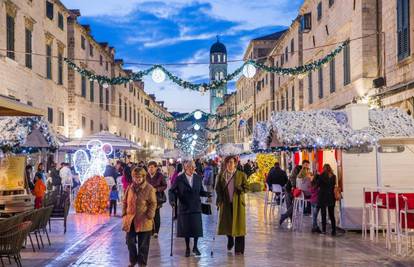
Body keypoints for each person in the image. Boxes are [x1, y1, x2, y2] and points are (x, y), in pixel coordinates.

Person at [168, 160, 211, 257]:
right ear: (185, 168)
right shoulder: (179, 179)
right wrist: (172, 201)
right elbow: (171, 191)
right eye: (189, 167)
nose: (192, 169)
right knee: (186, 229)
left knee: (197, 229)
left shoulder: (198, 178)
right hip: (184, 207)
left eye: (193, 167)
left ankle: (195, 247)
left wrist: (207, 194)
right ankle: (187, 247)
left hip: (196, 206)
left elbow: (201, 191)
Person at [122, 167, 156, 267]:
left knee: (143, 245)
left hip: (144, 220)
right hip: (130, 220)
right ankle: (133, 260)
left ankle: (142, 263)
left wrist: (150, 215)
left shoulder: (149, 188)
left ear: (143, 177)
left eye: (139, 177)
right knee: (130, 242)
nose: (137, 179)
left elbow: (153, 203)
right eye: (135, 177)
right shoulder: (130, 187)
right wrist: (124, 214)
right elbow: (124, 201)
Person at [215, 155, 248, 255]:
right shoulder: (221, 175)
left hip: (238, 204)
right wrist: (219, 199)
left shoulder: (241, 175)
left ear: (235, 164)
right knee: (227, 223)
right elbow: (218, 189)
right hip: (226, 203)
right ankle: (230, 239)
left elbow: (246, 188)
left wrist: (240, 189)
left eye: (232, 162)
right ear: (225, 164)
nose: (230, 164)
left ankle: (239, 249)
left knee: (239, 226)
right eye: (228, 162)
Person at [146, 161, 167, 239]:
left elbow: (165, 185)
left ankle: (156, 231)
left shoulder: (160, 175)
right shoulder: (146, 175)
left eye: (152, 167)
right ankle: (150, 230)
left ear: (156, 168)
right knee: (149, 214)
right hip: (147, 198)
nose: (150, 169)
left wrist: (157, 189)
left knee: (156, 214)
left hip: (157, 197)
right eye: (149, 167)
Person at [316, 164, 337, 236]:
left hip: (323, 197)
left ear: (323, 169)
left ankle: (324, 230)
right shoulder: (334, 176)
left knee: (323, 214)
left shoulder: (321, 176)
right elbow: (334, 185)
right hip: (331, 197)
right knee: (331, 214)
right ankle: (334, 230)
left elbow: (317, 185)